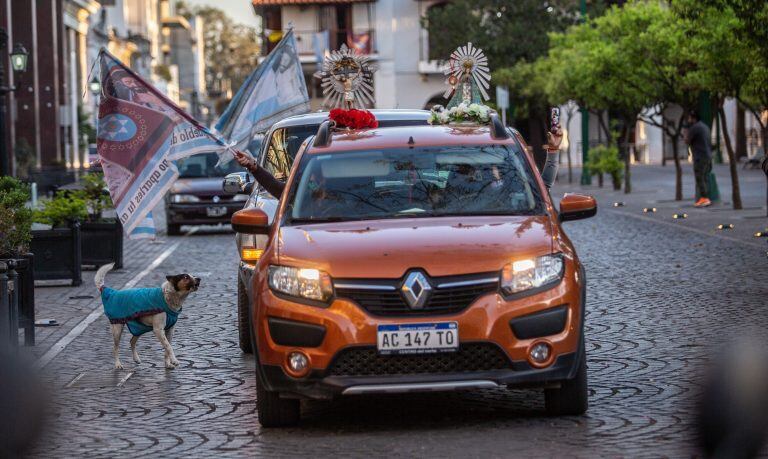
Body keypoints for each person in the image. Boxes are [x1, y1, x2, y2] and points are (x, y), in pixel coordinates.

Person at [684, 110, 713, 208]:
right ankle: (705, 198)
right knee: (705, 178)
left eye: (689, 118)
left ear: (693, 118)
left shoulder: (695, 128)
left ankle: (704, 198)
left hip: (700, 157)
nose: (688, 120)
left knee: (700, 178)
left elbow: (686, 140)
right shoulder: (705, 126)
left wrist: (686, 130)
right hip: (708, 155)